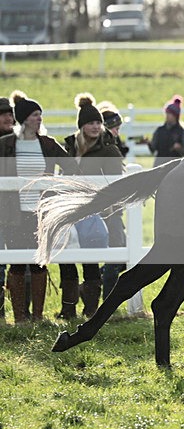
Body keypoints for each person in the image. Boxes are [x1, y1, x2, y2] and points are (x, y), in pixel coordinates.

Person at [0, 90, 78, 323]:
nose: (39, 118)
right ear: (24, 118)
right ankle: (19, 317)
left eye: (40, 115)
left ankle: (37, 316)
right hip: (13, 214)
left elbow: (71, 168)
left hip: (41, 213)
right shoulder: (6, 144)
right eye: (35, 115)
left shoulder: (47, 144)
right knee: (16, 263)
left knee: (39, 263)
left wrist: (54, 187)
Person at [57, 93, 124, 319]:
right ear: (82, 126)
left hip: (97, 212)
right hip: (71, 209)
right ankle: (68, 309)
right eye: (90, 123)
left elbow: (116, 184)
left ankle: (91, 310)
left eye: (98, 122)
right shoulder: (70, 148)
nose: (96, 126)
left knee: (91, 261)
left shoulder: (109, 150)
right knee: (66, 260)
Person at [97, 100, 129, 299]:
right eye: (115, 127)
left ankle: (98, 289)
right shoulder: (104, 148)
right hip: (107, 208)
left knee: (122, 255)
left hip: (115, 207)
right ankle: (108, 298)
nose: (117, 131)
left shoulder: (113, 145)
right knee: (117, 254)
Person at [0, 96, 14, 321]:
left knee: (20, 263)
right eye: (3, 114)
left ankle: (23, 313)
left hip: (13, 211)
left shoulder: (16, 143)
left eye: (10, 114)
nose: (8, 118)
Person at [148, 95, 184, 167]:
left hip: (174, 166)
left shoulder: (181, 132)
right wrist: (148, 143)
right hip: (159, 165)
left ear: (175, 116)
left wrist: (179, 148)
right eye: (167, 113)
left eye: (169, 113)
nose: (167, 115)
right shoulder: (159, 130)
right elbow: (153, 150)